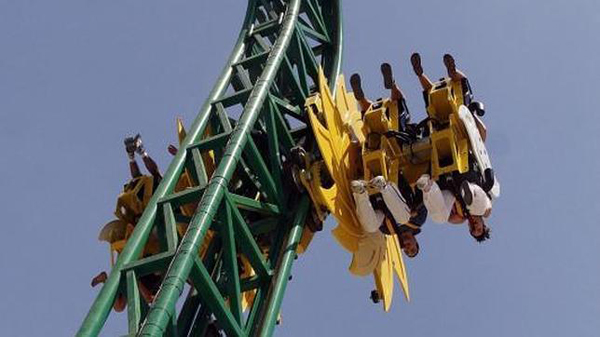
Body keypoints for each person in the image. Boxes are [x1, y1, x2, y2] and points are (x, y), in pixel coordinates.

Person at [351, 176, 425, 258]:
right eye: (412, 249)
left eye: (406, 251)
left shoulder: (388, 230)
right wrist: (415, 209)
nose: (408, 248)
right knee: (403, 219)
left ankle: (360, 192)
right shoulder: (419, 220)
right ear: (415, 242)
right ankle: (383, 186)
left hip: (375, 196)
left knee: (371, 228)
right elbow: (422, 196)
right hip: (394, 183)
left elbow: (373, 216)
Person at [416, 174, 491, 242]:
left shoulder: (460, 218)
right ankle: (469, 192)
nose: (475, 226)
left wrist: (456, 216)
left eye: (472, 230)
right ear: (483, 224)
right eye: (479, 229)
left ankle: (427, 186)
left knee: (440, 218)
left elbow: (445, 212)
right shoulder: (484, 211)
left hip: (449, 190)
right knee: (482, 210)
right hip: (467, 180)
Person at [349, 63, 412, 132]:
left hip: (379, 133)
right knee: (398, 102)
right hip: (396, 130)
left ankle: (361, 99)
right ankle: (392, 85)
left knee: (370, 110)